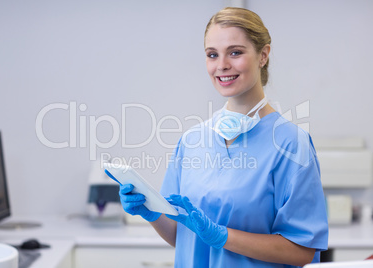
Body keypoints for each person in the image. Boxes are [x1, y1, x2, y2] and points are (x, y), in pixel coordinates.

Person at [118, 7, 328, 268]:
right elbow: (182, 236)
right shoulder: (192, 141)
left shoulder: (290, 144)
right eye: (212, 55)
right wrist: (152, 213)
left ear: (263, 55)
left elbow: (302, 251)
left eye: (235, 52)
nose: (222, 65)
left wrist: (221, 236)